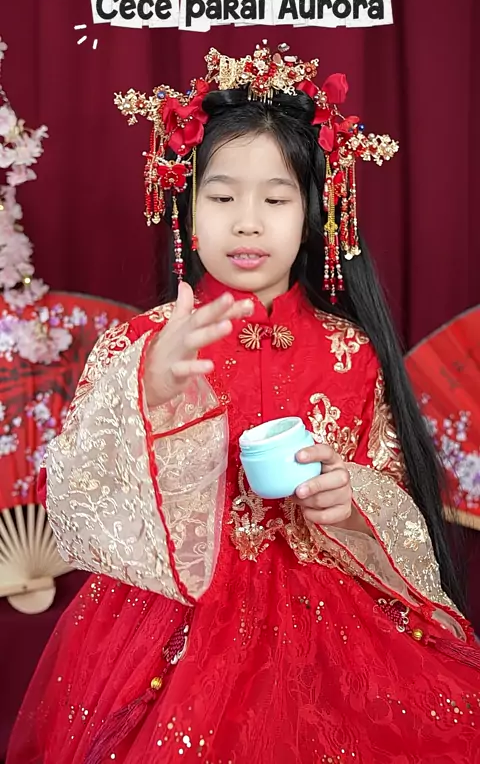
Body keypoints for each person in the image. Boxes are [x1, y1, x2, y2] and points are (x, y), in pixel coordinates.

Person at [7, 43, 480, 764]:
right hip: (174, 615)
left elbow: (391, 492)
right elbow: (83, 492)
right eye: (223, 197)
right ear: (187, 207)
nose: (249, 222)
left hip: (330, 609)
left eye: (276, 199)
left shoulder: (350, 351)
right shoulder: (142, 342)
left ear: (314, 213)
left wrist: (348, 497)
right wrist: (151, 389)